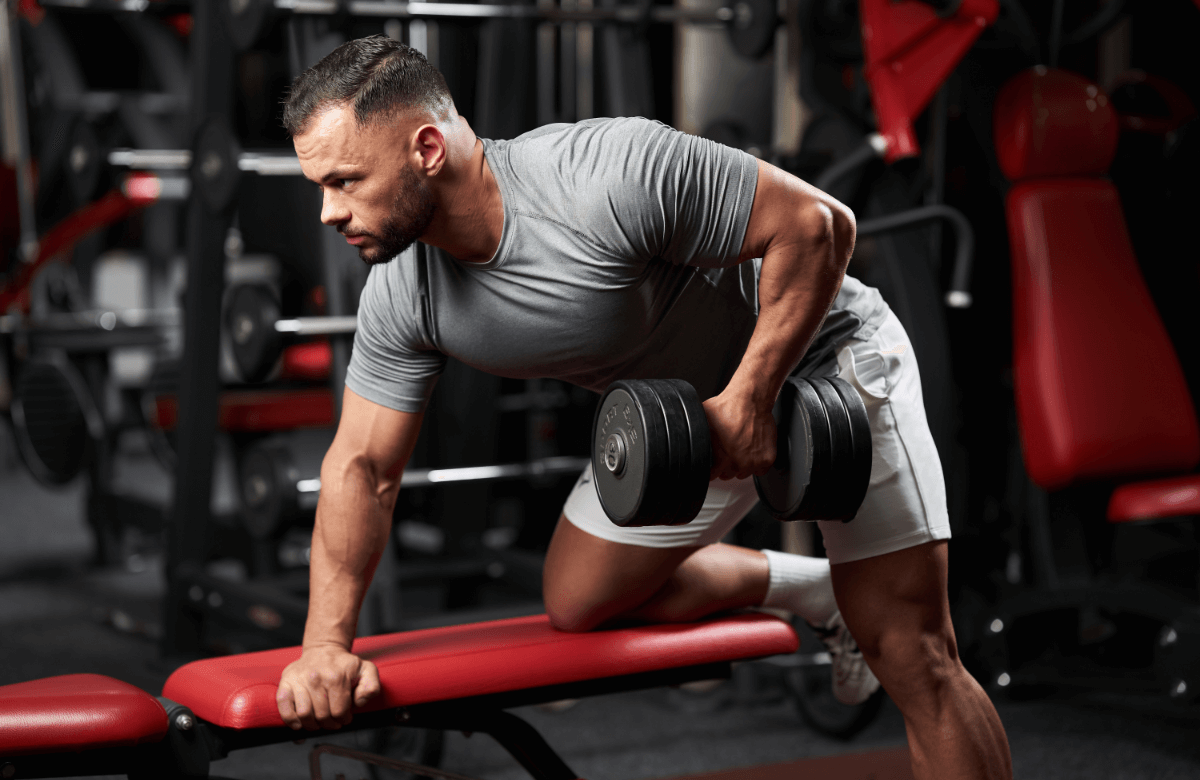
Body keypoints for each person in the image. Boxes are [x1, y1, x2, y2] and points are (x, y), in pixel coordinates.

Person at [273, 35, 1012, 779]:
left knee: (914, 653)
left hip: (821, 359)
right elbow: (362, 466)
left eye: (345, 180)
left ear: (427, 147)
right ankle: (819, 592)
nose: (330, 212)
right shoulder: (404, 295)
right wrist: (325, 648)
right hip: (686, 423)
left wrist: (752, 397)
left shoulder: (603, 174)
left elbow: (821, 227)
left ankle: (868, 609)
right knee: (578, 598)